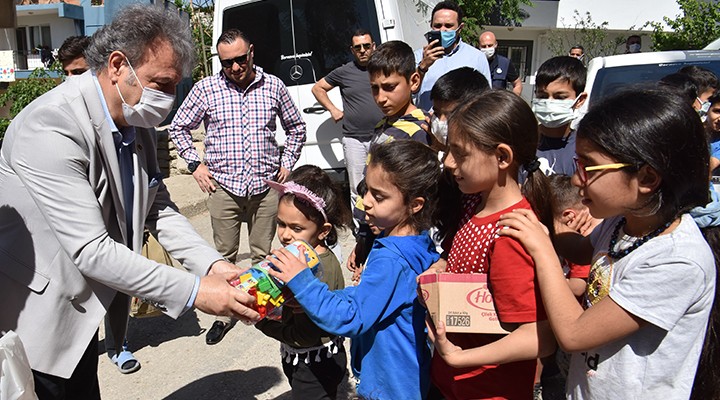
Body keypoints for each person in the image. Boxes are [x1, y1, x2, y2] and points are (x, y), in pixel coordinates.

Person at [0, 5, 259, 399]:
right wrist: (196, 291)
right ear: (118, 65)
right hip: (36, 318)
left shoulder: (133, 119)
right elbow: (92, 250)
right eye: (162, 83)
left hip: (82, 313)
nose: (169, 98)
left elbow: (158, 207)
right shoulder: (52, 124)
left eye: (175, 86)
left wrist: (213, 265)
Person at [497, 87, 715, 399]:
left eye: (589, 167)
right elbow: (583, 249)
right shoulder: (624, 222)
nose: (576, 179)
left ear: (647, 178)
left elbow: (574, 333)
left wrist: (542, 249)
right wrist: (536, 223)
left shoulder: (677, 260)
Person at [270, 140, 442, 400]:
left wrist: (303, 282)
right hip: (407, 375)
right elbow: (369, 301)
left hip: (392, 386)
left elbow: (352, 317)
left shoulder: (392, 259)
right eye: (366, 191)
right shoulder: (415, 242)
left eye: (379, 196)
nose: (366, 202)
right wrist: (314, 299)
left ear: (415, 204)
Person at [169, 28, 307, 345]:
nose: (234, 67)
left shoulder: (273, 86)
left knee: (263, 256)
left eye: (240, 59)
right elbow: (179, 126)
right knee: (223, 257)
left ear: (252, 53)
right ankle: (227, 314)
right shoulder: (206, 89)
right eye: (226, 62)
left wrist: (287, 162)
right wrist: (195, 164)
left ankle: (261, 310)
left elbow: (296, 127)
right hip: (224, 189)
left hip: (265, 187)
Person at [426, 90, 556, 400]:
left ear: (502, 157)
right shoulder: (476, 203)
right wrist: (444, 268)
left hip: (485, 389)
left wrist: (459, 357)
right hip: (459, 383)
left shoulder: (511, 234)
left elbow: (538, 338)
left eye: (459, 152)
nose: (447, 162)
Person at [57, 32, 141, 375]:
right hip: (76, 227)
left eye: (78, 72)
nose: (71, 80)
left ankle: (117, 344)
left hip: (113, 224)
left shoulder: (126, 115)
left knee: (118, 286)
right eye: (67, 73)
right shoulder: (57, 115)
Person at [254, 165, 351, 400]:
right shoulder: (297, 258)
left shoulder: (318, 269)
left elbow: (305, 335)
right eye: (281, 224)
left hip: (316, 363)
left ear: (323, 231)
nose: (285, 235)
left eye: (296, 228)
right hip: (301, 356)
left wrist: (261, 322)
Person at [311, 29, 384, 219]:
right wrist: (333, 109)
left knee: (386, 183)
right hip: (354, 139)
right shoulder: (344, 72)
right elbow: (318, 88)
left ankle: (385, 224)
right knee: (357, 187)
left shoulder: (383, 68)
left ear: (373, 46)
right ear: (352, 50)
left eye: (366, 46)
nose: (362, 50)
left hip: (383, 135)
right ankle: (362, 229)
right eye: (358, 47)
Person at [414, 0, 491, 111]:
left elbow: (486, 99)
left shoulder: (477, 57)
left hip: (463, 125)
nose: (443, 30)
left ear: (460, 28)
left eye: (449, 26)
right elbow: (408, 94)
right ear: (431, 25)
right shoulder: (418, 56)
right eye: (437, 25)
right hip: (427, 124)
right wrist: (423, 67)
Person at [532, 56, 587, 176]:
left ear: (580, 100)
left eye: (560, 97)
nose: (549, 103)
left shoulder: (585, 150)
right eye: (543, 96)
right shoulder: (522, 143)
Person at [478, 30, 522, 95]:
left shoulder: (505, 63)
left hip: (498, 103)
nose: (487, 48)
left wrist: (512, 102)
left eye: (490, 45)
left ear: (495, 44)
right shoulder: (474, 63)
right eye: (484, 46)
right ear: (479, 46)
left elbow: (517, 84)